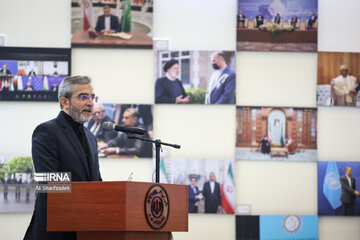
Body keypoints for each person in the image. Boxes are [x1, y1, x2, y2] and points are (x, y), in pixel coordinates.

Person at [24, 76, 102, 240]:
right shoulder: (46, 131)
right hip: (56, 231)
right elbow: (50, 183)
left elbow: (96, 182)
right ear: (65, 102)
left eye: (92, 97)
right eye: (83, 97)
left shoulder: (90, 136)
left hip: (87, 230)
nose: (90, 103)